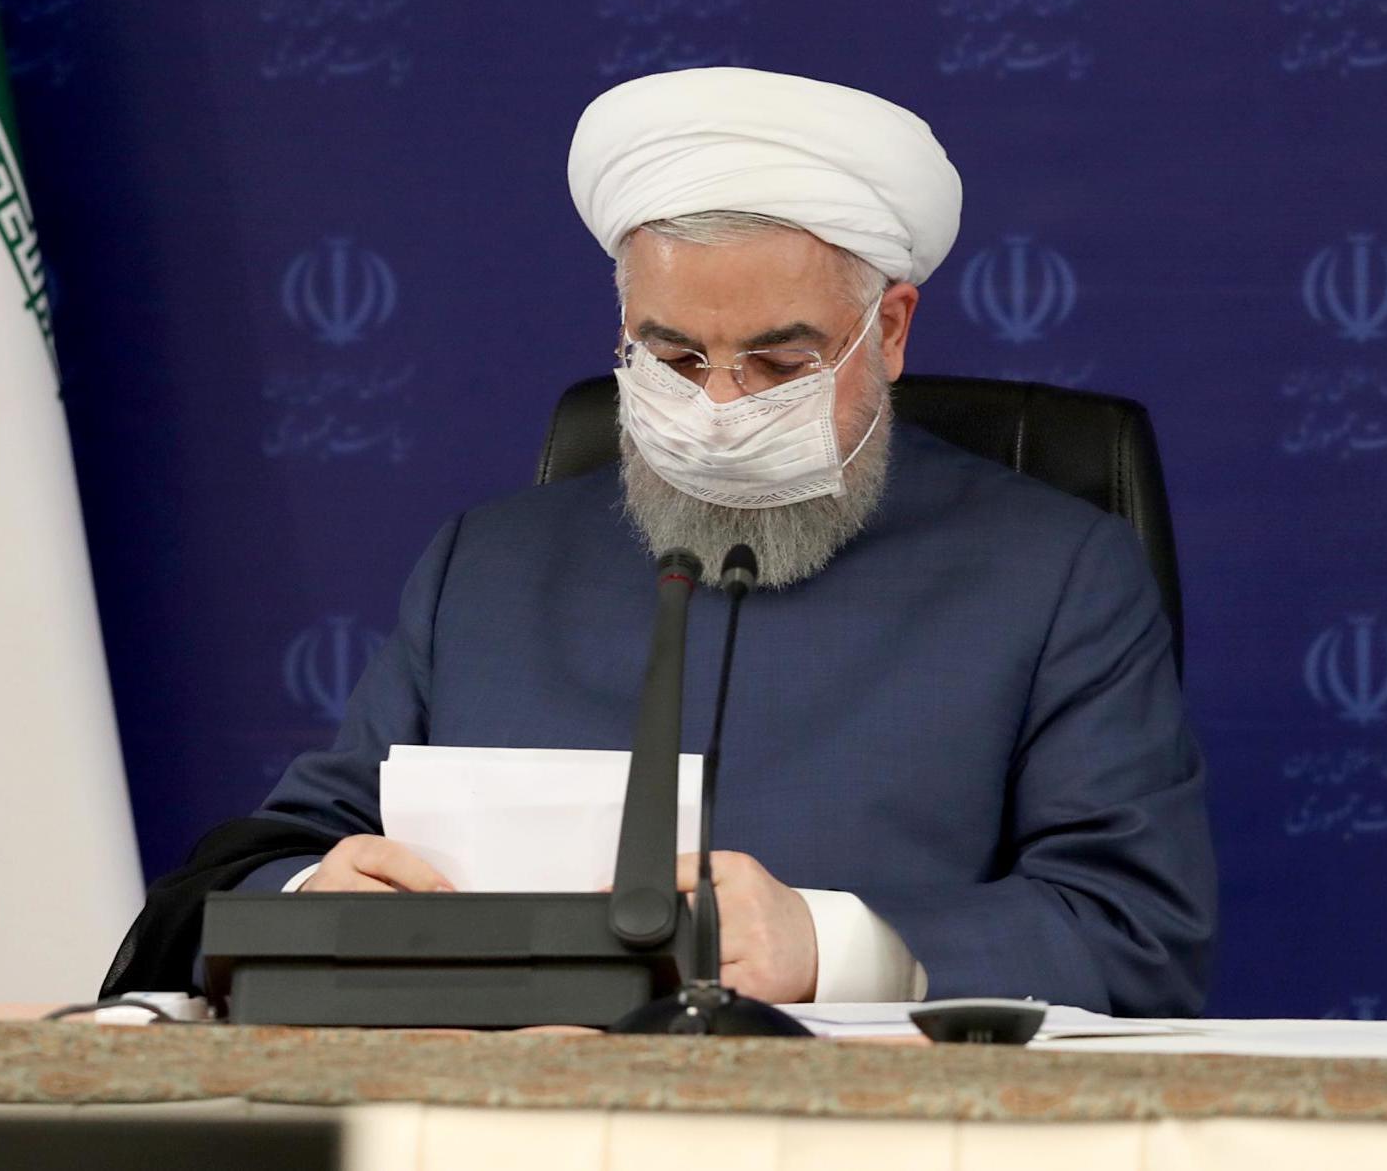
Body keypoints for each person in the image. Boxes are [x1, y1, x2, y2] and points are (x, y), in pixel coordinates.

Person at [105, 67, 1214, 1014]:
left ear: (887, 329)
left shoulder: (1056, 572)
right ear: (620, 330)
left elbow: (1133, 931)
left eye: (779, 363)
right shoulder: (482, 566)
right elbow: (275, 856)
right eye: (675, 356)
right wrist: (315, 894)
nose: (722, 405)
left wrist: (837, 946)